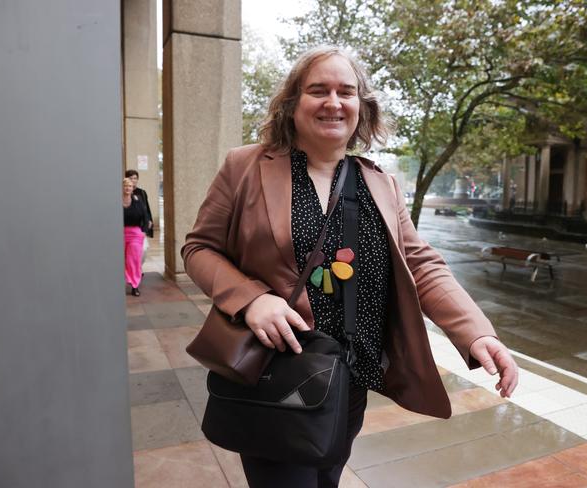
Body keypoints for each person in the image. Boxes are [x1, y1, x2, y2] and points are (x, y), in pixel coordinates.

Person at [181, 46, 518, 488]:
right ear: (292, 102)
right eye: (318, 90)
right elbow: (199, 248)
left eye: (347, 91)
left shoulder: (380, 181)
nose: (333, 102)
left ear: (363, 106)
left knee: (328, 479)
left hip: (350, 377)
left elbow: (420, 262)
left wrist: (477, 333)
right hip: (278, 373)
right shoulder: (245, 166)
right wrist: (252, 300)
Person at [122, 177, 148, 296]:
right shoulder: (117, 200)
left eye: (130, 186)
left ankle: (134, 285)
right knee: (122, 260)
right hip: (120, 234)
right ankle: (126, 279)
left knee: (133, 260)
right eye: (125, 186)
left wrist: (144, 231)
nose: (127, 188)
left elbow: (145, 216)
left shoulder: (138, 200)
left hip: (135, 235)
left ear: (133, 189)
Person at [125, 169, 154, 238]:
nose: (133, 180)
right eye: (130, 178)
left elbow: (146, 208)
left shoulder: (142, 192)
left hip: (140, 223)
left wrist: (149, 220)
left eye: (135, 178)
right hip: (128, 224)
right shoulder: (124, 192)